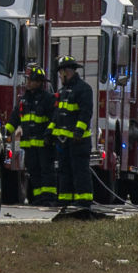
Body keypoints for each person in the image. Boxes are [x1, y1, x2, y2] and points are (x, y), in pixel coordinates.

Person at [50, 55, 95, 210]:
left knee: (80, 170)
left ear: (66, 72)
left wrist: (78, 131)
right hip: (64, 141)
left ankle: (84, 200)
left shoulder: (83, 89)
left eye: (61, 73)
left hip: (79, 141)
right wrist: (50, 134)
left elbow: (85, 113)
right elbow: (58, 115)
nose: (60, 77)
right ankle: (65, 199)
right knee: (64, 170)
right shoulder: (64, 91)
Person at [12, 66, 57, 206]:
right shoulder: (24, 100)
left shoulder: (48, 99)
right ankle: (38, 198)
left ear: (39, 82)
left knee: (46, 172)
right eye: (27, 80)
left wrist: (49, 135)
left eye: (30, 80)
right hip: (29, 145)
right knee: (34, 172)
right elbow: (15, 118)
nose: (28, 82)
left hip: (44, 144)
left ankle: (49, 199)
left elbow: (54, 119)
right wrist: (6, 132)